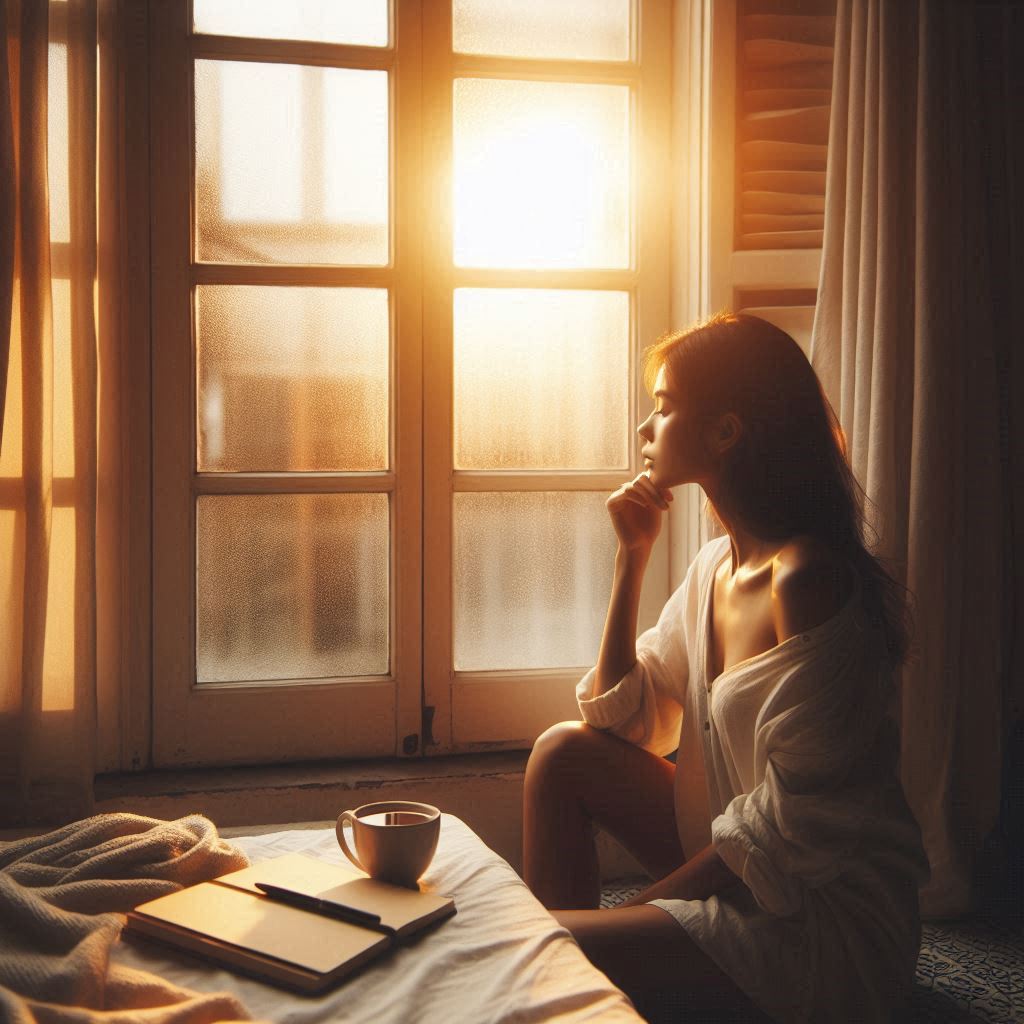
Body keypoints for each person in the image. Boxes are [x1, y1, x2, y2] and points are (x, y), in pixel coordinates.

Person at [522, 312, 931, 1022]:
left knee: (545, 950)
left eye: (664, 407)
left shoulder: (805, 580)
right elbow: (626, 720)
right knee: (561, 752)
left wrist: (642, 912)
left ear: (725, 432)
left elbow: (792, 832)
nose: (645, 430)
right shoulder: (717, 565)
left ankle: (581, 976)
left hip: (821, 922)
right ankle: (588, 992)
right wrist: (632, 557)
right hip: (745, 862)